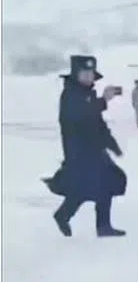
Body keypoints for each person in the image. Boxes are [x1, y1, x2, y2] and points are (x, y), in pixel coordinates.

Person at [45, 55, 127, 237]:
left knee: (103, 184)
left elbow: (98, 123)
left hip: (95, 151)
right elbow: (81, 115)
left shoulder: (87, 95)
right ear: (76, 74)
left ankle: (102, 226)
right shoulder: (69, 95)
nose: (89, 77)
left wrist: (111, 144)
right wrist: (104, 101)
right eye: (84, 73)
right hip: (79, 153)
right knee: (84, 188)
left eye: (91, 73)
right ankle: (64, 216)